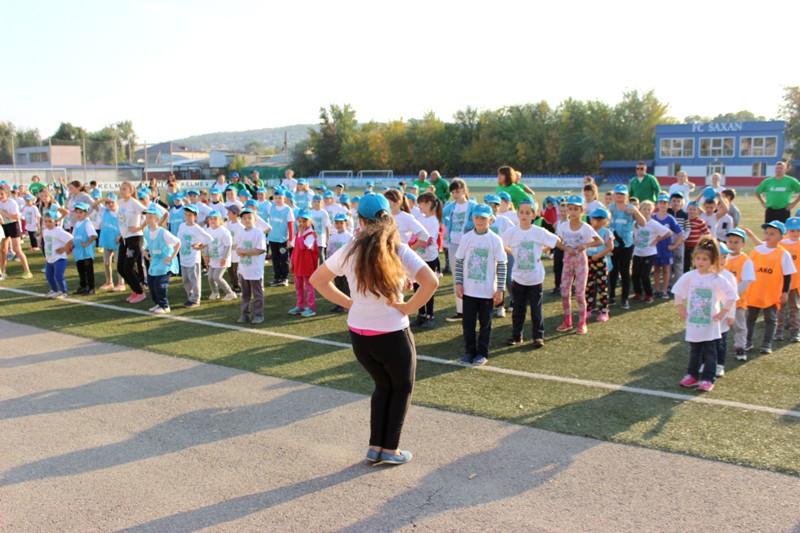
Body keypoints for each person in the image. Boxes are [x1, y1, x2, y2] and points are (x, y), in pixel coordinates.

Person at [310, 193, 438, 465]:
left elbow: (318, 280)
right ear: (387, 218)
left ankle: (375, 447)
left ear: (361, 221)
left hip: (360, 335)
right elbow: (431, 282)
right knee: (401, 387)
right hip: (392, 333)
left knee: (382, 385)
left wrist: (350, 303)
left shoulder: (350, 249)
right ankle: (390, 449)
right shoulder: (397, 250)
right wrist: (408, 307)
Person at [672, 237, 738, 392]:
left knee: (710, 351)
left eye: (705, 259)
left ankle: (708, 379)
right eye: (698, 258)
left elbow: (731, 295)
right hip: (694, 322)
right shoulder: (690, 276)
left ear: (712, 261)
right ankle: (692, 375)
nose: (700, 262)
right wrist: (680, 307)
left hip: (710, 324)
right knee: (695, 350)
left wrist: (723, 312)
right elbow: (678, 291)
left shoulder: (717, 278)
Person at [501, 198, 559, 348]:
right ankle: (516, 335)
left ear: (533, 215)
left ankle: (538, 336)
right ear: (517, 214)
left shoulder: (538, 231)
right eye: (521, 212)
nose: (524, 215)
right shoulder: (512, 232)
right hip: (518, 278)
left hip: (535, 278)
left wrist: (541, 251)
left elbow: (556, 240)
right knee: (518, 309)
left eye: (528, 213)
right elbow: (500, 244)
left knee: (536, 309)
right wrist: (512, 252)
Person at [455, 203, 507, 365]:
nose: (479, 221)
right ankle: (469, 351)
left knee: (485, 324)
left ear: (490, 220)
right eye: (477, 217)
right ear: (472, 218)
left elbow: (502, 264)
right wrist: (458, 283)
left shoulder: (495, 240)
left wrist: (500, 289)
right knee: (468, 323)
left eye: (483, 218)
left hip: (487, 292)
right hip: (469, 291)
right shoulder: (466, 238)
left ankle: (482, 353)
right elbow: (459, 261)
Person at [744, 221, 797, 354]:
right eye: (766, 233)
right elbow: (747, 269)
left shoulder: (783, 254)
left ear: (781, 237)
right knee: (750, 318)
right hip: (754, 292)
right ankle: (747, 341)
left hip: (771, 293)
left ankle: (766, 344)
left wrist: (785, 292)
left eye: (772, 234)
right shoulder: (757, 250)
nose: (768, 236)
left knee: (770, 319)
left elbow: (787, 275)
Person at [555, 196, 603, 334]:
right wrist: (566, 248)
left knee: (580, 293)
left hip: (581, 261)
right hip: (567, 260)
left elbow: (599, 241)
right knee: (564, 292)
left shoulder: (586, 227)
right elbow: (558, 242)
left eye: (576, 209)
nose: (572, 212)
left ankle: (582, 323)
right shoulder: (563, 226)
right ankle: (567, 321)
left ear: (582, 211)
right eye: (570, 209)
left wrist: (585, 246)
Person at [443, 178, 477, 321]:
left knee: (471, 276)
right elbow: (442, 217)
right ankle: (460, 311)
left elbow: (486, 218)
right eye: (453, 192)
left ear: (464, 190)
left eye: (457, 191)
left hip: (469, 245)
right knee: (457, 277)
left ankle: (473, 309)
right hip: (453, 244)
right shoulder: (451, 206)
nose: (455, 194)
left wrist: (471, 228)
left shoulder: (473, 205)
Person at [608, 185, 646, 309]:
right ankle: (611, 296)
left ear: (627, 196)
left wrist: (635, 212)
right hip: (613, 244)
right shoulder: (610, 208)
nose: (619, 196)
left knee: (624, 272)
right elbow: (604, 222)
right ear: (614, 195)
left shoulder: (631, 208)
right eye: (617, 193)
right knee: (612, 271)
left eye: (622, 194)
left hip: (626, 245)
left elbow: (643, 222)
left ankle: (624, 299)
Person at [631, 200, 674, 303]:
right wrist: (634, 240)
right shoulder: (635, 223)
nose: (646, 211)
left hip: (649, 253)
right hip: (637, 252)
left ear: (652, 211)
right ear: (640, 210)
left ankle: (649, 295)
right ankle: (638, 293)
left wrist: (657, 240)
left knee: (645, 275)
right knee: (635, 274)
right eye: (644, 209)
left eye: (648, 209)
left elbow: (669, 232)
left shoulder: (653, 224)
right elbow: (633, 234)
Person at [723, 229, 756, 361]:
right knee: (720, 324)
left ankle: (740, 347)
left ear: (744, 244)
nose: (732, 244)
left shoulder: (745, 260)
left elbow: (746, 280)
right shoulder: (722, 258)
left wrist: (733, 295)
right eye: (730, 241)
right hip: (721, 301)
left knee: (740, 326)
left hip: (738, 301)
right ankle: (717, 347)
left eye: (736, 242)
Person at [411, 192, 443, 328]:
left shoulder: (434, 221)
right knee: (417, 287)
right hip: (418, 258)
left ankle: (430, 316)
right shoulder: (420, 219)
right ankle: (421, 314)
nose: (419, 207)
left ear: (428, 203)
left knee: (428, 287)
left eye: (421, 204)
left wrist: (414, 244)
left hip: (430, 259)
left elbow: (428, 240)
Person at [142, 205, 180, 314]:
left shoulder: (163, 232)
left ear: (157, 219)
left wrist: (172, 257)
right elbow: (146, 243)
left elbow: (178, 242)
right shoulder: (147, 231)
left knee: (160, 284)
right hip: (155, 262)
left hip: (165, 263)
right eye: (147, 217)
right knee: (151, 282)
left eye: (150, 217)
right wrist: (145, 251)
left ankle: (165, 306)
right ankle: (158, 303)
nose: (148, 219)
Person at [117, 182, 148, 303]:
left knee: (128, 267)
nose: (122, 191)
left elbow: (148, 213)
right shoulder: (120, 202)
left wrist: (140, 227)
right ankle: (135, 290)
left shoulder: (134, 202)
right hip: (125, 238)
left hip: (134, 238)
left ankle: (140, 292)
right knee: (120, 268)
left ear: (131, 191)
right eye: (121, 189)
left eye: (124, 189)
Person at [176, 204, 212, 308]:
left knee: (194, 279)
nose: (187, 217)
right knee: (185, 280)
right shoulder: (182, 226)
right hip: (183, 258)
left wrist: (200, 247)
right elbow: (179, 239)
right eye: (186, 214)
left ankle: (196, 299)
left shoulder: (196, 228)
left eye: (190, 215)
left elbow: (208, 239)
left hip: (193, 259)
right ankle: (190, 297)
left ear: (196, 216)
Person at [236, 208, 268, 324]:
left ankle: (259, 315)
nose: (247, 220)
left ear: (255, 220)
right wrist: (239, 251)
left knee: (257, 295)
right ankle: (245, 314)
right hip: (244, 269)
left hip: (255, 270)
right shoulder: (241, 233)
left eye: (249, 218)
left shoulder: (258, 233)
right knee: (245, 295)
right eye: (244, 218)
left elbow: (260, 250)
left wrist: (244, 252)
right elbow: (238, 248)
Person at [288, 209, 319, 318]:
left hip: (307, 265)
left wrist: (301, 235)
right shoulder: (298, 234)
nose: (301, 224)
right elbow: (294, 248)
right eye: (300, 221)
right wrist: (291, 262)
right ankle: (300, 305)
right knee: (298, 286)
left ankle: (311, 308)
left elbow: (303, 246)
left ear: (310, 222)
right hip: (298, 264)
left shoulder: (311, 234)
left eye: (304, 221)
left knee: (308, 287)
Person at [585, 207, 614, 323]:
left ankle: (604, 311)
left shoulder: (606, 232)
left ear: (602, 220)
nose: (591, 220)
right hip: (589, 260)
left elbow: (610, 247)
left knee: (603, 287)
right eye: (591, 218)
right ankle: (588, 309)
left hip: (601, 261)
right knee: (589, 286)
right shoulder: (589, 230)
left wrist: (599, 255)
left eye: (594, 218)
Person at [652, 194, 684, 298]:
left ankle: (665, 290)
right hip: (655, 248)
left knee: (666, 269)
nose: (662, 205)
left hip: (666, 248)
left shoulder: (670, 219)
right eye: (661, 203)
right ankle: (657, 289)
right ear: (657, 204)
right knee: (656, 269)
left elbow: (680, 233)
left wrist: (675, 245)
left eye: (665, 203)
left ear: (668, 205)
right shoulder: (653, 217)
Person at [0, 186, 33, 279]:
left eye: (2, 194)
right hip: (3, 226)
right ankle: (3, 272)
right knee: (3, 250)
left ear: (7, 194)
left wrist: (2, 212)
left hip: (13, 225)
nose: (0, 196)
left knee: (16, 249)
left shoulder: (12, 202)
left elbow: (16, 217)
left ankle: (27, 271)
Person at [775, 217, 800, 343]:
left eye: (798, 230)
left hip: (796, 283)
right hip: (782, 283)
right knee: (780, 308)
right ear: (787, 231)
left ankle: (795, 331)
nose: (795, 233)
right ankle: (778, 330)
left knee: (794, 308)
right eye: (792, 230)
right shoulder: (781, 244)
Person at [205, 210, 237, 302]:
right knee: (210, 277)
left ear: (220, 220)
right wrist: (207, 256)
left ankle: (230, 293)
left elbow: (228, 246)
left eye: (215, 219)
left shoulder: (224, 231)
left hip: (222, 259)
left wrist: (224, 258)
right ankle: (215, 293)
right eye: (211, 219)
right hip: (213, 259)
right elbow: (206, 244)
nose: (213, 221)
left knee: (217, 277)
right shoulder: (207, 231)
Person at [41, 210, 73, 298]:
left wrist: (65, 249)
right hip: (50, 258)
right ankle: (54, 290)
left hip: (59, 258)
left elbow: (70, 239)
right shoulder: (45, 231)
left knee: (58, 275)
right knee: (49, 275)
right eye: (46, 221)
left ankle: (64, 292)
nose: (47, 223)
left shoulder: (58, 230)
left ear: (55, 221)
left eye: (50, 221)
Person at [98, 193, 125, 291]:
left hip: (117, 241)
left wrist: (121, 236)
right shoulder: (105, 211)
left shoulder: (121, 212)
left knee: (118, 263)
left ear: (117, 202)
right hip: (107, 240)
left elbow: (125, 225)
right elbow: (92, 206)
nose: (110, 204)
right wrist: (103, 199)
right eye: (108, 203)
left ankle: (121, 283)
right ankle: (109, 282)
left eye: (112, 202)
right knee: (106, 262)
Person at [326, 213, 353, 313]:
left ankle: (346, 305)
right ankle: (338, 304)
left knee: (346, 286)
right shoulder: (332, 237)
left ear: (346, 224)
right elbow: (329, 250)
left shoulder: (349, 237)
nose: (339, 225)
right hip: (336, 266)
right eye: (337, 223)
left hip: (346, 266)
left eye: (341, 223)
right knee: (338, 285)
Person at [70, 202, 97, 295]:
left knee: (88, 270)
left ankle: (91, 287)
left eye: (81, 212)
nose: (78, 214)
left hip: (86, 252)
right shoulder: (77, 223)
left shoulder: (87, 223)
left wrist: (87, 243)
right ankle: (83, 286)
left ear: (86, 213)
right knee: (81, 270)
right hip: (78, 251)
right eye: (77, 212)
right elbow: (73, 236)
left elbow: (93, 235)